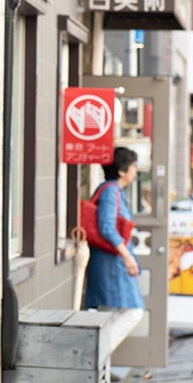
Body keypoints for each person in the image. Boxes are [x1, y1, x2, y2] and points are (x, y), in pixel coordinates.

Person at [84, 147, 145, 355]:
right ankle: (95, 357)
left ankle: (98, 363)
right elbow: (107, 228)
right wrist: (127, 257)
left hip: (109, 260)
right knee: (132, 312)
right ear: (121, 170)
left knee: (109, 314)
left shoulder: (112, 190)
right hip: (112, 262)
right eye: (133, 166)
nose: (134, 170)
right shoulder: (111, 191)